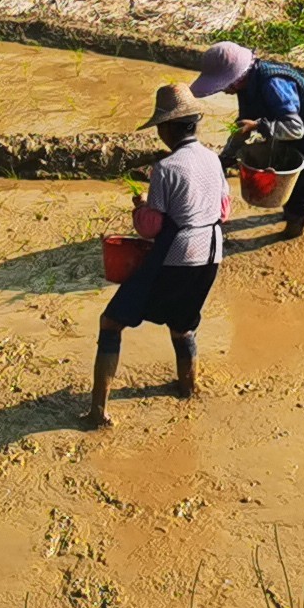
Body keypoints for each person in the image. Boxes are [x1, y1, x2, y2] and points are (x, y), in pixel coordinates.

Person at [87, 82, 225, 428]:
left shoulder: (166, 168)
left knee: (111, 322)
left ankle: (98, 412)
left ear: (166, 128)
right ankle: (188, 386)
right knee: (182, 325)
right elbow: (223, 210)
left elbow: (150, 227)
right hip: (212, 253)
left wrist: (140, 208)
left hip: (176, 255)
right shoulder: (213, 159)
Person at [190, 41, 304, 238]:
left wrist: (259, 126)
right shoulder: (248, 84)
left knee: (302, 188)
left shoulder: (273, 84)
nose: (223, 91)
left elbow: (295, 129)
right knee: (285, 172)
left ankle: (292, 232)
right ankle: (290, 213)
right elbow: (243, 126)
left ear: (235, 79)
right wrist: (227, 156)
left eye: (223, 86)